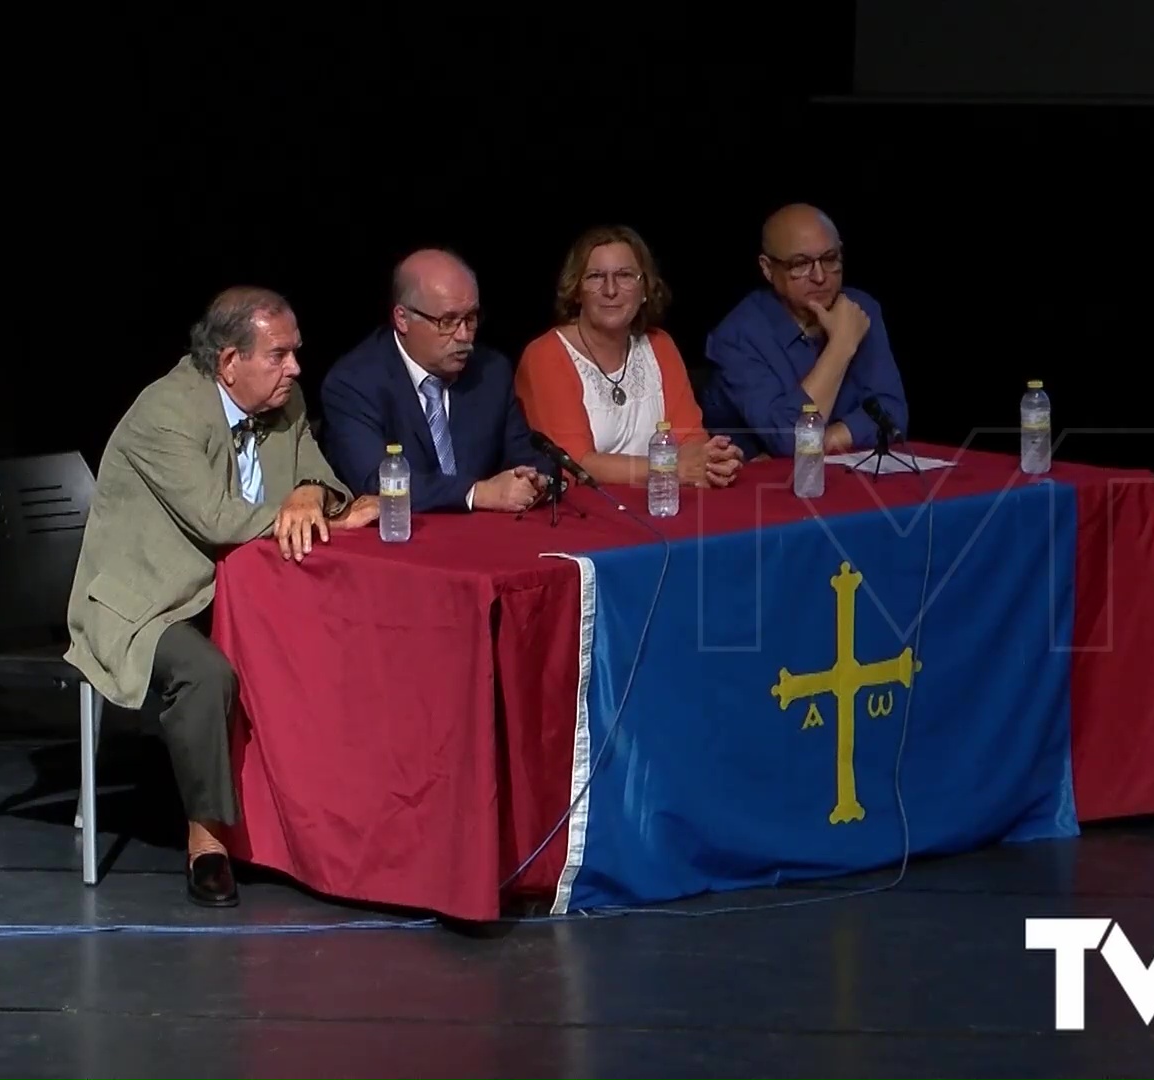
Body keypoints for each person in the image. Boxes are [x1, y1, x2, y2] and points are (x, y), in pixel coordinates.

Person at [64, 286, 379, 908]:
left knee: (319, 643)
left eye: (295, 353)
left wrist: (313, 496)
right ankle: (207, 839)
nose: (294, 367)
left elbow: (322, 476)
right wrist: (320, 516)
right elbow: (215, 517)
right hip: (146, 602)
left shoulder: (282, 404)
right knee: (207, 673)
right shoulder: (167, 412)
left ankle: (320, 821)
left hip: (234, 592)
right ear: (229, 361)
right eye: (279, 355)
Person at [317, 248, 557, 512]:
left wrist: (535, 478)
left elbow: (525, 452)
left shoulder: (491, 371)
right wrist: (476, 493)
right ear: (402, 319)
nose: (464, 335)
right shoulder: (353, 382)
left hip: (484, 535)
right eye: (448, 321)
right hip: (399, 540)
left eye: (471, 318)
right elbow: (374, 481)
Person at [514, 225, 742, 487]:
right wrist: (670, 468)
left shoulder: (661, 344)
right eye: (596, 276)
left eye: (624, 275)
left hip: (661, 503)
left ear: (644, 289)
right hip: (587, 514)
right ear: (576, 290)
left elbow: (690, 438)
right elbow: (576, 465)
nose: (610, 290)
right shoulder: (545, 355)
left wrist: (711, 460)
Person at [698, 204, 910, 459]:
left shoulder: (860, 310)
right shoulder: (736, 337)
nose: (820, 277)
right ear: (767, 269)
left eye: (830, 259)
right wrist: (841, 346)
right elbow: (791, 442)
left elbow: (893, 414)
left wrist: (825, 440)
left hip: (846, 477)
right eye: (800, 264)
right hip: (768, 489)